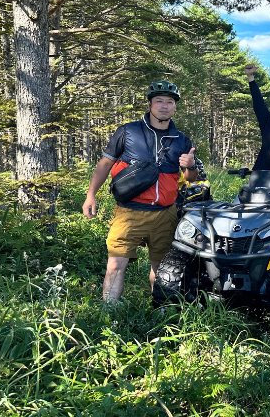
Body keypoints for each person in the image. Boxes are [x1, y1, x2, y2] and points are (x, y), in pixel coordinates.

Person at [82, 80, 198, 302]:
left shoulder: (181, 139)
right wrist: (90, 195)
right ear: (149, 104)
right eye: (159, 101)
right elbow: (104, 164)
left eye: (169, 102)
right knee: (115, 265)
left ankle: (159, 311)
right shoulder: (128, 131)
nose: (164, 106)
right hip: (129, 212)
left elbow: (189, 178)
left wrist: (191, 166)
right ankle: (108, 314)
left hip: (165, 214)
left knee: (162, 268)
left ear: (175, 106)